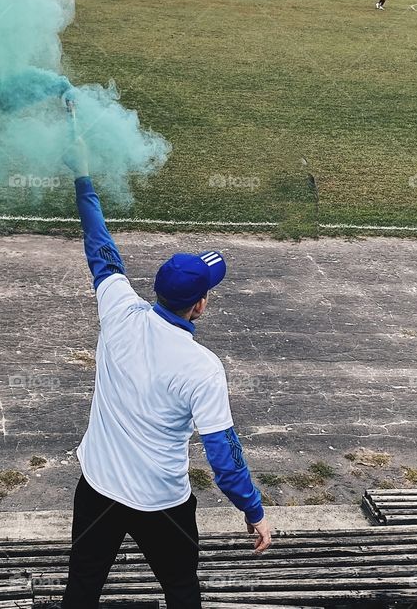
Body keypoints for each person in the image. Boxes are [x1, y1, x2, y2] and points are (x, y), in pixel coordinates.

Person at [59, 135, 272, 609]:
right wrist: (253, 510)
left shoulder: (119, 309)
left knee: (81, 589)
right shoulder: (202, 368)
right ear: (198, 304)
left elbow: (100, 247)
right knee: (180, 591)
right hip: (163, 505)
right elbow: (224, 458)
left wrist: (83, 179)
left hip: (97, 490)